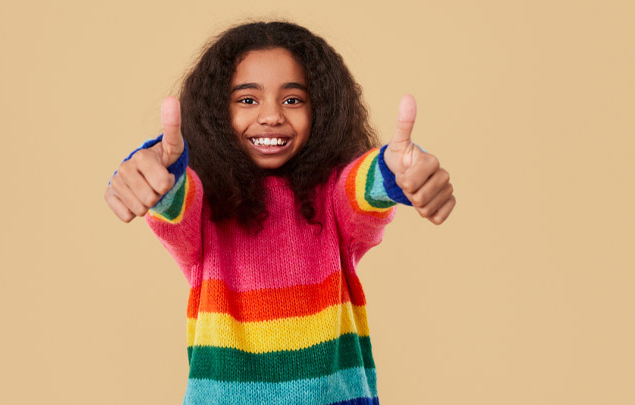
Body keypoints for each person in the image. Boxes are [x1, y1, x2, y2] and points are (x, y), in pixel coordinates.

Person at [104, 21, 454, 405]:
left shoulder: (332, 200)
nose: (271, 116)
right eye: (247, 100)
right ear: (218, 113)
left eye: (292, 100)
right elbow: (177, 202)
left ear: (320, 109)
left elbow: (361, 187)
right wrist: (158, 175)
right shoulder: (204, 208)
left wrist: (393, 170)